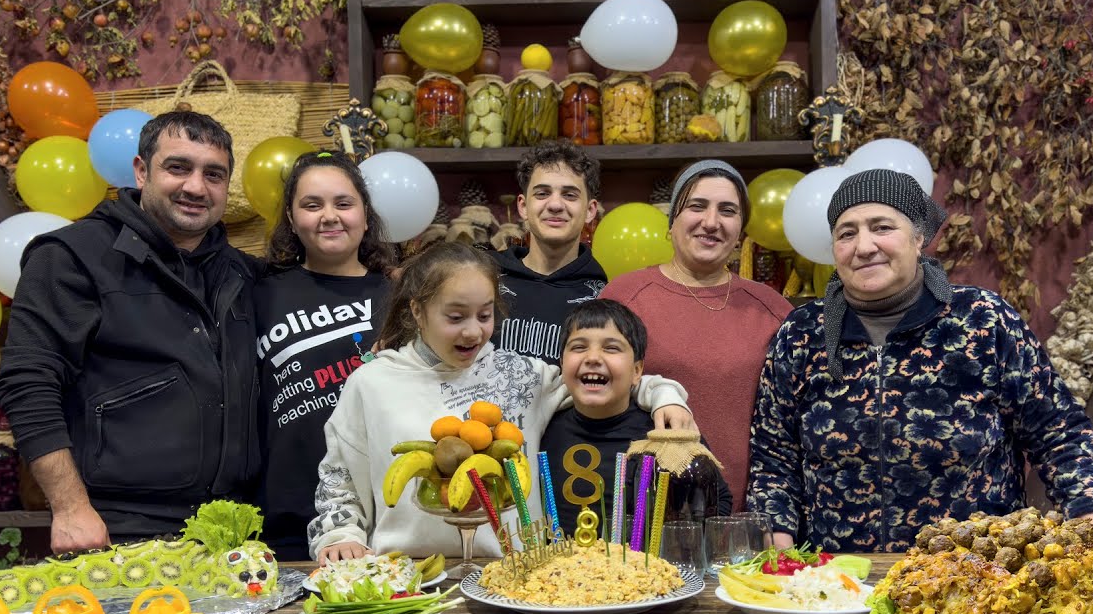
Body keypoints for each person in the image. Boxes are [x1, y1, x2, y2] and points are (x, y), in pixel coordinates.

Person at [747, 168, 1093, 553]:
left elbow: (1059, 435)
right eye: (847, 233)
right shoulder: (803, 333)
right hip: (836, 582)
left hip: (974, 579)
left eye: (882, 227)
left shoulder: (983, 319)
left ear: (918, 237)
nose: (864, 246)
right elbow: (774, 458)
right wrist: (778, 550)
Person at [307, 242, 695, 564]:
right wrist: (339, 534)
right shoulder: (372, 383)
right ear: (417, 311)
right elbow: (339, 478)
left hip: (515, 574)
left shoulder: (521, 375)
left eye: (485, 315)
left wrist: (665, 397)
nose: (473, 331)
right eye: (455, 316)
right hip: (408, 575)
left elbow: (599, 380)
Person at [0, 111, 261, 552]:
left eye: (214, 174)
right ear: (141, 171)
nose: (196, 187)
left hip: (236, 529)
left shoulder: (243, 273)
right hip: (119, 530)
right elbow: (27, 383)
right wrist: (70, 507)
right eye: (178, 167)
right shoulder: (70, 258)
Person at [600, 160, 792, 510]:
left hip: (742, 520)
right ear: (672, 222)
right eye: (697, 206)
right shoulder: (624, 297)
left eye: (728, 211)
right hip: (644, 515)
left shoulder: (773, 310)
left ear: (740, 230)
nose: (711, 222)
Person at [255, 151, 398, 561]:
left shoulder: (401, 298)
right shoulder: (259, 291)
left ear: (365, 216)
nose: (329, 216)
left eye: (343, 203)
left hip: (378, 517)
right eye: (312, 205)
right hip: (283, 517)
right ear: (291, 217)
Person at [541, 299, 731, 535]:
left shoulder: (666, 432)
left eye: (611, 348)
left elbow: (719, 503)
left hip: (644, 569)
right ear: (561, 363)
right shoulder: (542, 425)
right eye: (578, 347)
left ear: (637, 371)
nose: (592, 357)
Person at [491, 140, 606, 366]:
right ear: (523, 206)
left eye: (570, 195)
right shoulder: (484, 278)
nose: (555, 204)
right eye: (542, 193)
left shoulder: (604, 296)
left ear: (590, 210)